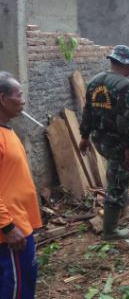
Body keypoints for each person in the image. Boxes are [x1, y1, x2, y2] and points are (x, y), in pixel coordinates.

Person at [79, 45, 129, 240]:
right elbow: (125, 120)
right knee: (117, 178)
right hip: (116, 141)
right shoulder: (125, 85)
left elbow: (87, 111)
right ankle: (110, 231)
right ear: (128, 65)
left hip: (98, 138)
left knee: (117, 169)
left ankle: (124, 196)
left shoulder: (94, 81)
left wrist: (84, 137)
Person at [0, 71, 43, 298]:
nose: (23, 99)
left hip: (19, 224)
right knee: (16, 288)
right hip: (10, 232)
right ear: (2, 99)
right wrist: (7, 227)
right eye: (19, 94)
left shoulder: (7, 129)